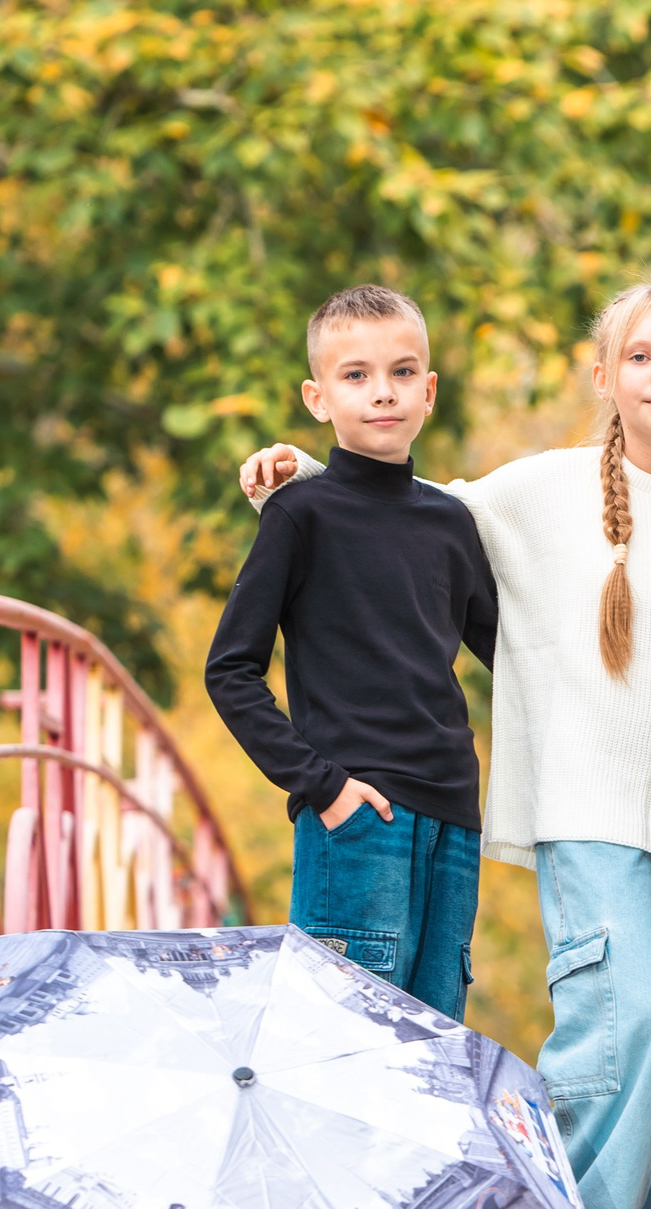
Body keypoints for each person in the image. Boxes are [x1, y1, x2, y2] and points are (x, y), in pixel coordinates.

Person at [234, 282, 651, 1209]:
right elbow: (391, 509)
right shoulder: (541, 490)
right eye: (640, 354)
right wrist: (295, 474)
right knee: (625, 1024)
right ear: (602, 374)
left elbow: (432, 558)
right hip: (568, 805)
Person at [207, 284, 497, 1022]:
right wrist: (323, 788)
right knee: (341, 1049)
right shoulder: (299, 514)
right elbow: (230, 670)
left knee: (436, 1055)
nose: (382, 393)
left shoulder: (451, 522)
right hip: (356, 816)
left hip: (454, 826)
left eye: (403, 373)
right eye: (356, 375)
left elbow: (514, 659)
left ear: (429, 391)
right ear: (317, 396)